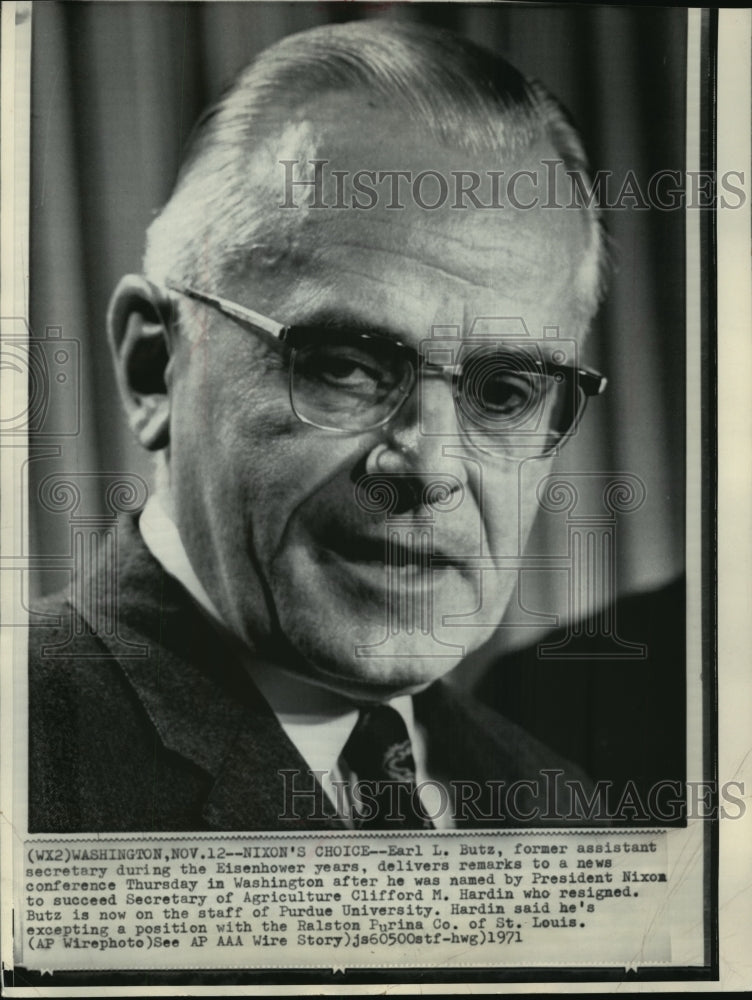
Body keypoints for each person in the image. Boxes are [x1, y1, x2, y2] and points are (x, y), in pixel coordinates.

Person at [29, 19, 610, 832]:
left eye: (505, 391)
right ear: (154, 365)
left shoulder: (560, 805)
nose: (431, 464)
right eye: (346, 366)